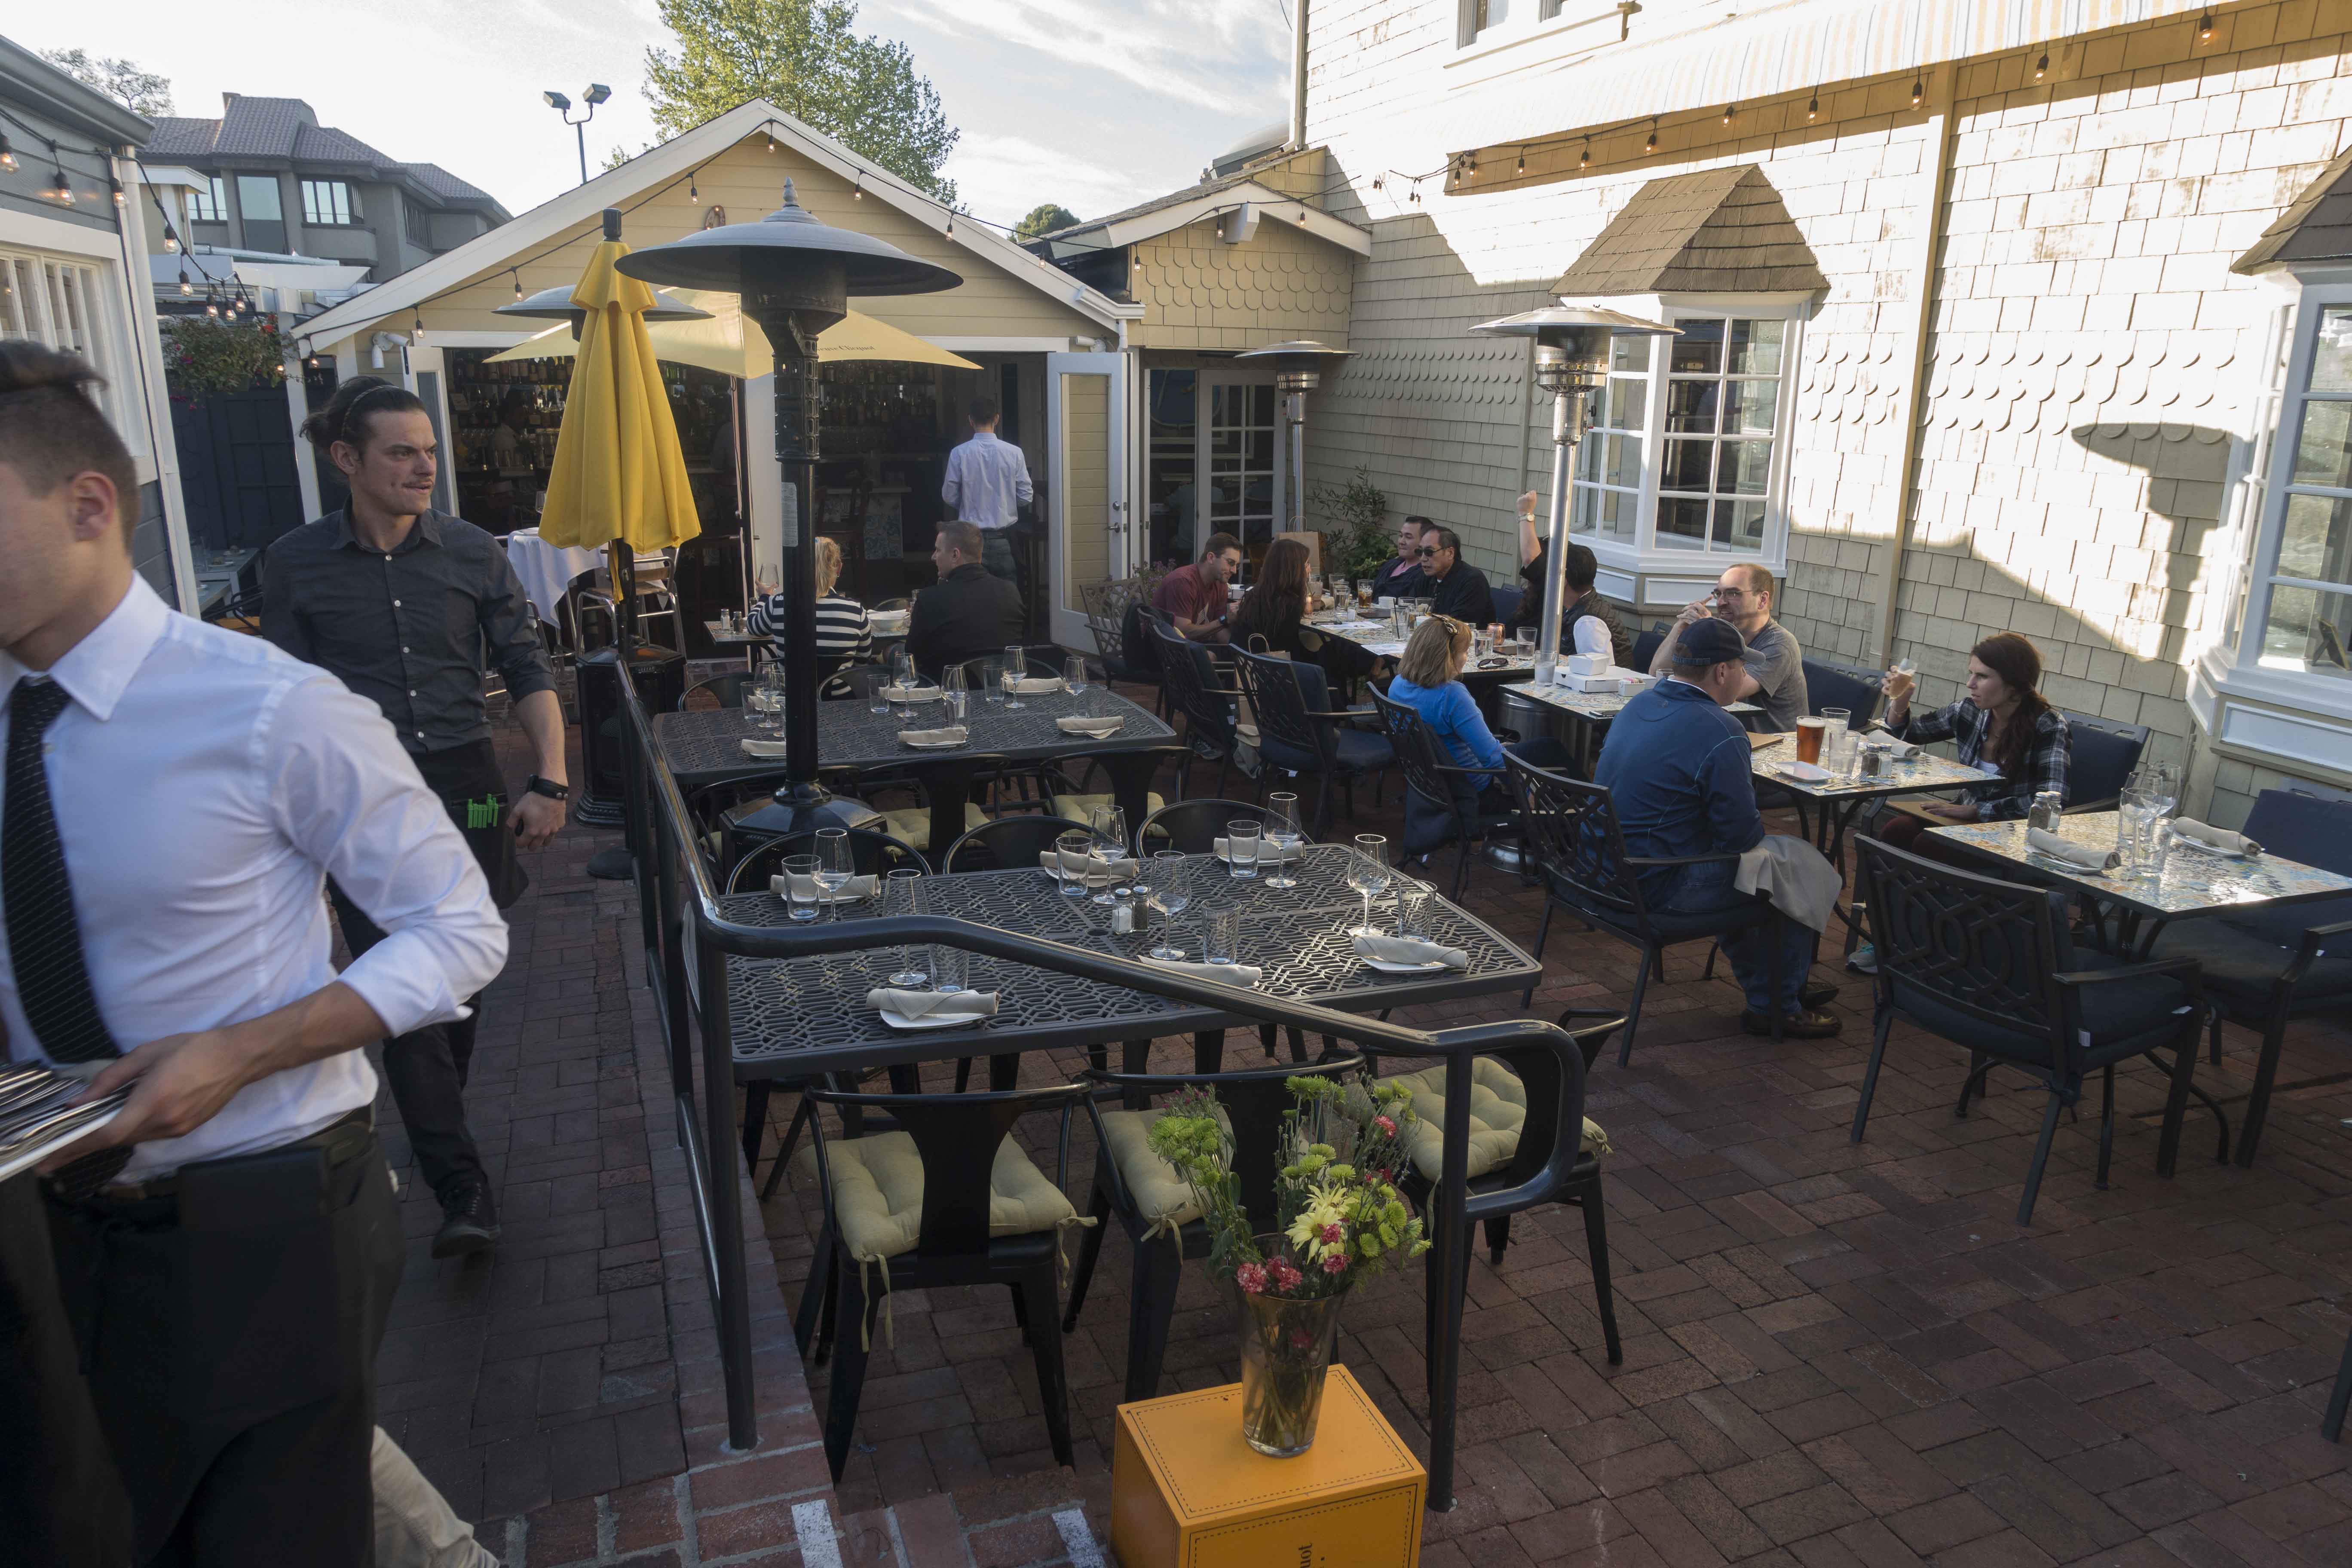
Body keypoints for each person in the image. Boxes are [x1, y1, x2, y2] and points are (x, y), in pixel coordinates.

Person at [1, 342, 507, 1562]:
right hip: (44, 1218)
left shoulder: (269, 706)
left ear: (89, 507)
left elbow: (459, 928)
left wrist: (242, 1050)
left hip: (265, 1211)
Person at [266, 376, 564, 1260]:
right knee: (398, 981)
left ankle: (438, 1119)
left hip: (471, 787)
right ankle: (460, 1184)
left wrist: (550, 781)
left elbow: (526, 665)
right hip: (360, 800)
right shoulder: (293, 563)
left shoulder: (472, 552)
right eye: (402, 452)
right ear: (347, 459)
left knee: (463, 968)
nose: (424, 466)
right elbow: (283, 700)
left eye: (429, 450)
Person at [1595, 618, 1839, 1038]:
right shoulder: (1722, 729)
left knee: (1761, 866)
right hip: (1653, 886)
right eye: (1742, 667)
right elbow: (1742, 839)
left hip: (1599, 873)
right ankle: (1781, 1005)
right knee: (1793, 868)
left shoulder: (1639, 704)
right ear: (1722, 672)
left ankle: (1775, 985)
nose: (1744, 676)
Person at [1849, 634, 2072, 973]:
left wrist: (1977, 811)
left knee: (1928, 845)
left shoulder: (2048, 725)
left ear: (2014, 684)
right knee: (1895, 832)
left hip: (2010, 835)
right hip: (1960, 821)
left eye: (1982, 676)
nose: (1971, 684)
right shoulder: (1969, 711)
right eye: (1971, 673)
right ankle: (1891, 938)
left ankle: (1926, 945)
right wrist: (1900, 705)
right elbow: (1904, 737)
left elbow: (2053, 800)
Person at [1385, 616, 1575, 813]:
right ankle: (1589, 814)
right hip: (1475, 789)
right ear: (1448, 657)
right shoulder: (1452, 695)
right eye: (1464, 652)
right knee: (1552, 750)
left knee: (1545, 748)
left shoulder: (1398, 685)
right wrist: (1526, 791)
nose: (1466, 658)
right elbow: (1492, 758)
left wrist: (1496, 747)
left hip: (1433, 781)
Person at [1648, 563, 1807, 731]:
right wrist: (1680, 627)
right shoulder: (1720, 633)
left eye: (1733, 594)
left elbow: (1726, 691)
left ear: (1762, 600)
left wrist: (1709, 632)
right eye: (1719, 594)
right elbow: (1656, 675)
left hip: (1772, 742)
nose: (1721, 602)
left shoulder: (1780, 643)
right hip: (1724, 731)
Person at [1228, 536, 1376, 692]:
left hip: (1253, 671)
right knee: (1336, 653)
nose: (1309, 570)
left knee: (1334, 651)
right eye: (1306, 565)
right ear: (1293, 570)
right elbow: (1294, 652)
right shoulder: (1288, 605)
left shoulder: (1255, 596)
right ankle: (1370, 668)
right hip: (1280, 680)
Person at [1510, 493, 1632, 666]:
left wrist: (1526, 514)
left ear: (1564, 579)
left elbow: (1599, 674)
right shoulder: (1580, 605)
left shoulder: (1588, 623)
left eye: (1553, 571)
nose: (1548, 575)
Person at [750, 534, 870, 694]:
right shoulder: (856, 611)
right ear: (839, 568)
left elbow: (753, 628)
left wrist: (764, 597)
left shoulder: (778, 604)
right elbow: (863, 662)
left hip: (792, 700)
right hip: (840, 702)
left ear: (798, 567)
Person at [906, 519, 1025, 678]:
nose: (933, 557)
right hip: (1002, 687)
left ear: (955, 555)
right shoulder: (1011, 592)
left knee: (894, 654)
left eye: (938, 550)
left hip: (947, 689)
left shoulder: (930, 599)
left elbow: (911, 658)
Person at [940, 395, 1032, 585]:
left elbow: (949, 496)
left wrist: (967, 504)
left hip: (969, 540)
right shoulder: (1014, 453)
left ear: (970, 420)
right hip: (1003, 539)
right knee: (1006, 596)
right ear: (996, 419)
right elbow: (1026, 497)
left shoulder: (959, 453)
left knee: (971, 595)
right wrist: (1006, 503)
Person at [1153, 531, 1242, 641]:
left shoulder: (1220, 583)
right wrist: (1226, 619)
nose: (1234, 571)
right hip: (1166, 647)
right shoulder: (1183, 582)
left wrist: (1240, 651)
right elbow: (1183, 635)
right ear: (1211, 558)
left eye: (1237, 565)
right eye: (1230, 563)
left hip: (1193, 646)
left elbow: (1220, 630)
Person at [1413, 525, 1495, 625]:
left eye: (1429, 552)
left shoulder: (1472, 580)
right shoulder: (1423, 577)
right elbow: (1410, 612)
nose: (1423, 558)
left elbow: (1455, 627)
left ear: (1450, 553)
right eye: (1420, 552)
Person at [1370, 514, 1430, 600]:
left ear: (1424, 542)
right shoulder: (1390, 565)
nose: (1401, 542)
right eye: (1401, 536)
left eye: (1409, 537)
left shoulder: (1423, 574)